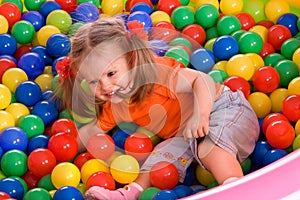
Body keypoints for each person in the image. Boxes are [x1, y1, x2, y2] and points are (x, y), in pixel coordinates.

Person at [55, 17, 260, 200]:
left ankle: (236, 187)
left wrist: (201, 115)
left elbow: (202, 80)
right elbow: (92, 132)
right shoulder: (114, 103)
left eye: (111, 74)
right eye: (93, 82)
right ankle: (131, 193)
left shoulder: (156, 74)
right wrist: (63, 149)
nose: (105, 87)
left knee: (206, 145)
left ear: (131, 59)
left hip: (225, 110)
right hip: (186, 136)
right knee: (157, 159)